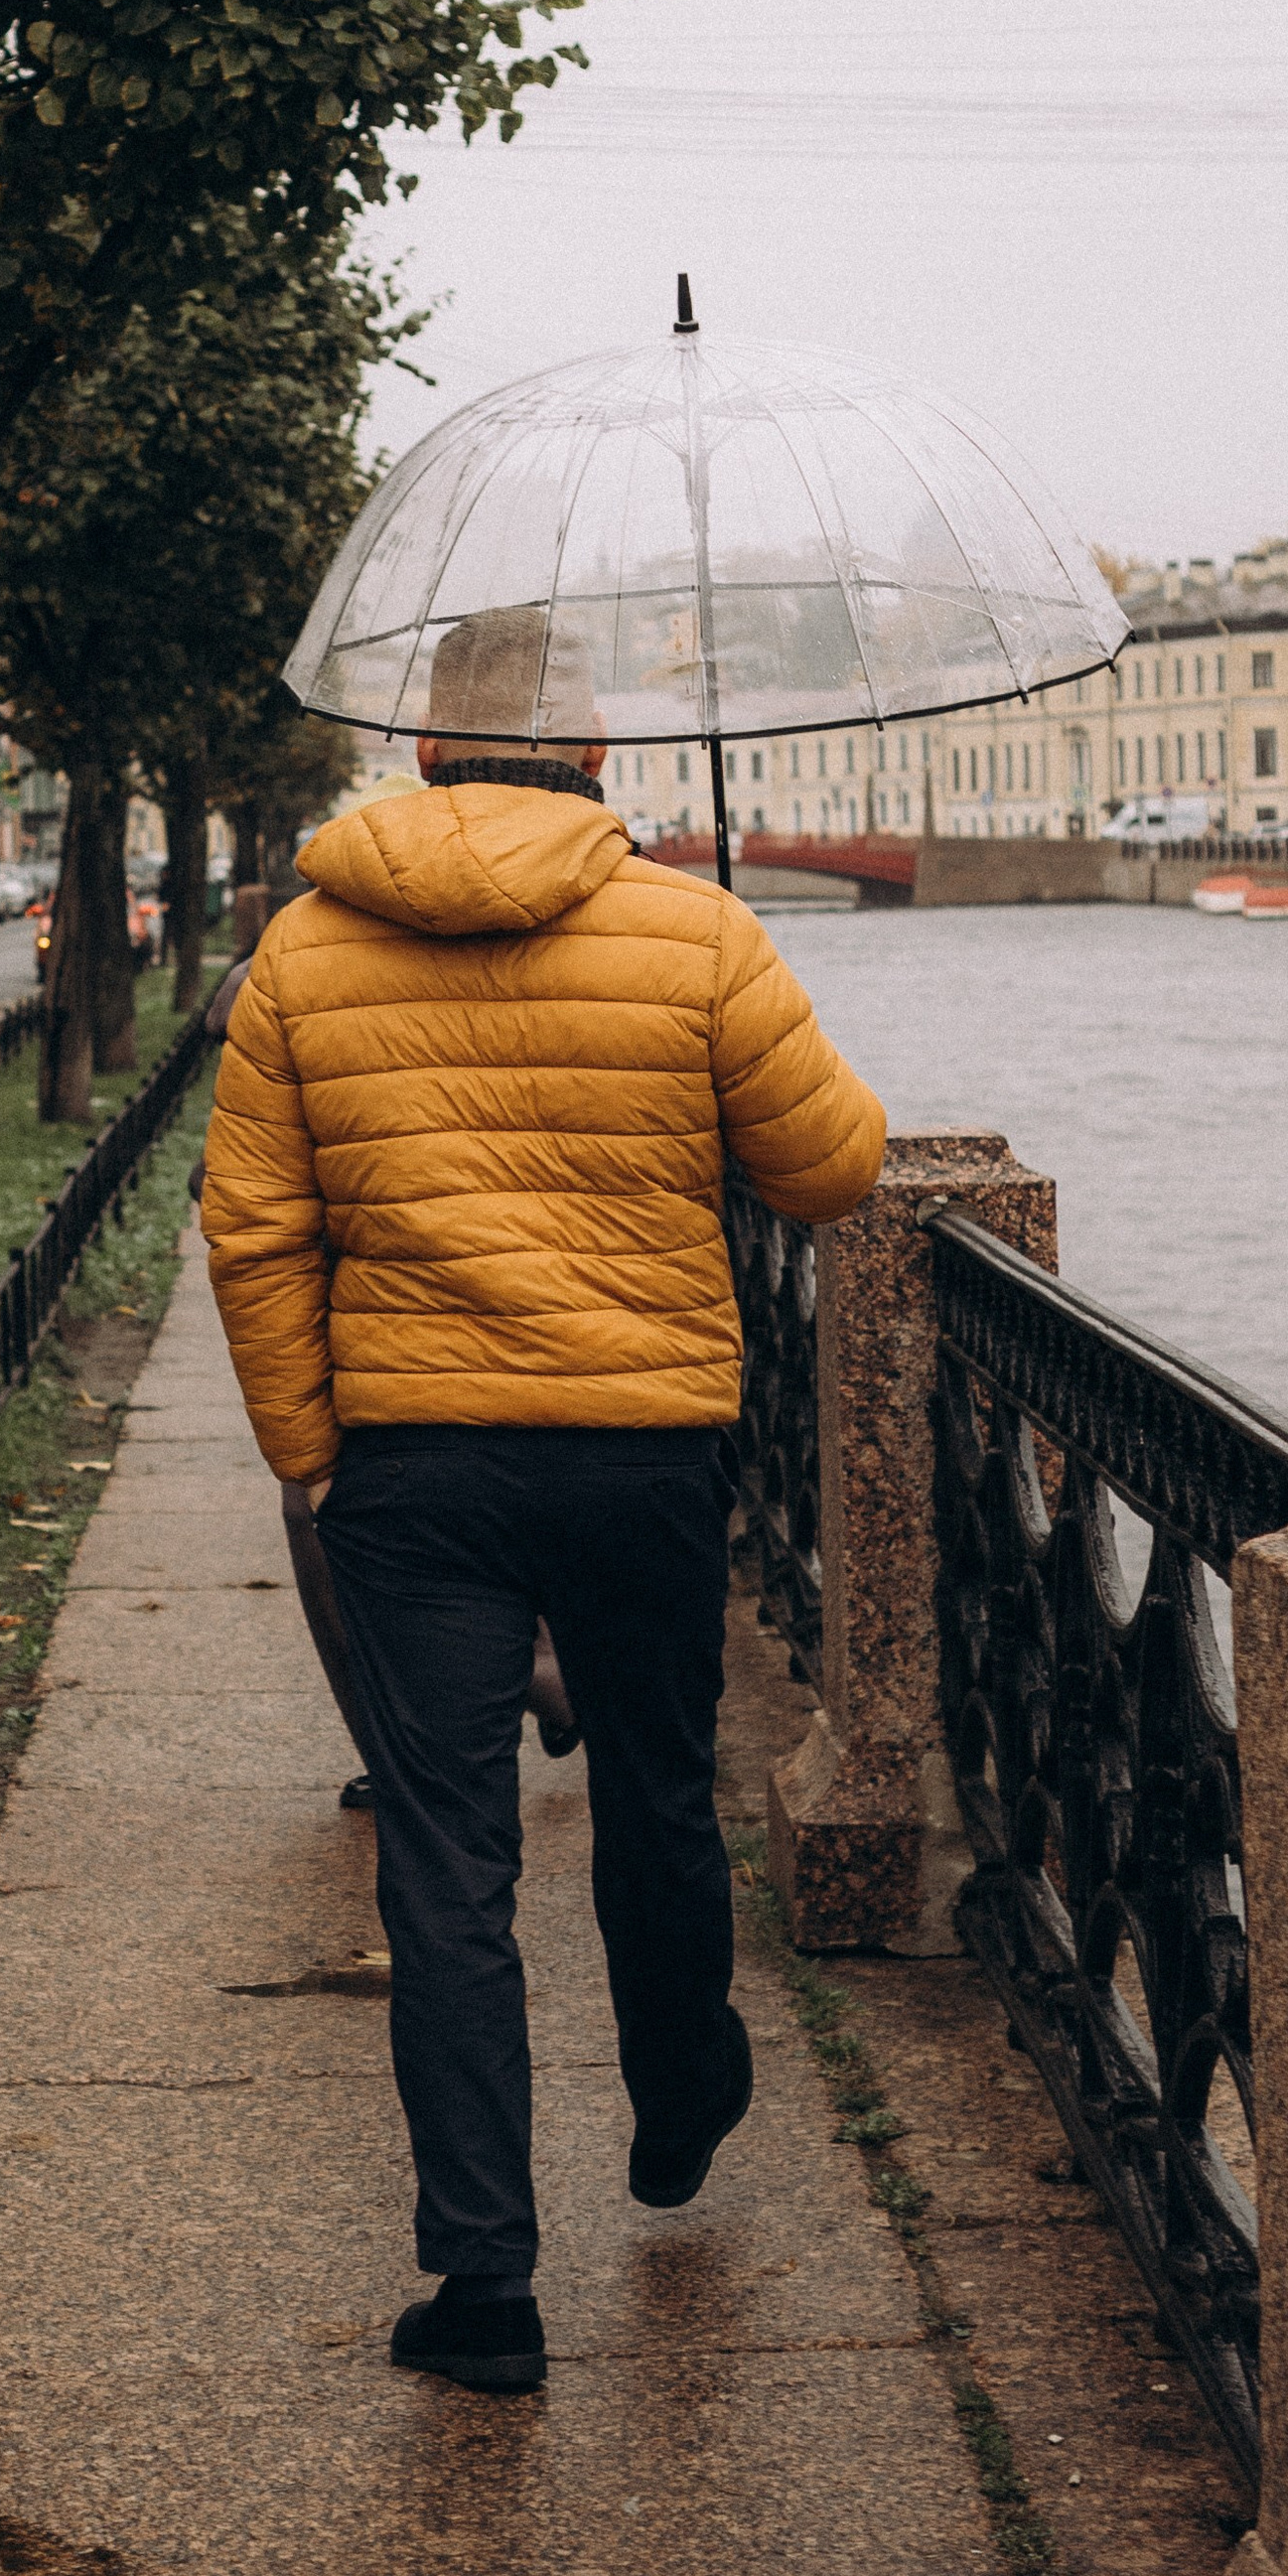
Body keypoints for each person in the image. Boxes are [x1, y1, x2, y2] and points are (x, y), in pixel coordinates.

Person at [201, 605, 885, 2395]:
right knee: (661, 1793)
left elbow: (255, 1226)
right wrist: (713, 975)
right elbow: (832, 1170)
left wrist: (309, 1452)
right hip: (645, 1449)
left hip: (414, 1465)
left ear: (421, 759)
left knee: (447, 1866)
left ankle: (486, 2284)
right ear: (597, 766)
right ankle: (679, 2096)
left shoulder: (300, 953)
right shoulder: (694, 927)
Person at [195, 950, 583, 1815]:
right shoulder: (311, 972)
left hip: (411, 1338)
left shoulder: (348, 977)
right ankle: (497, 1699)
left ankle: (487, 1702)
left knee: (344, 1526)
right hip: (375, 1333)